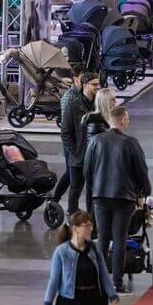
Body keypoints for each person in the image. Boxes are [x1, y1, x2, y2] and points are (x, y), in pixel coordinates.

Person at [83, 106, 152, 294]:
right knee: (120, 239)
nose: (128, 122)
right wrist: (145, 192)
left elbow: (87, 170)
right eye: (127, 119)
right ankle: (117, 283)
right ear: (121, 120)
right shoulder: (131, 143)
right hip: (124, 198)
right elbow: (142, 171)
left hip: (100, 197)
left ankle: (99, 280)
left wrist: (95, 189)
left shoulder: (95, 141)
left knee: (103, 238)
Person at [55, 70, 100, 216]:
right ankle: (72, 214)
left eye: (98, 84)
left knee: (92, 190)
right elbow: (65, 132)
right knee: (75, 189)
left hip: (95, 156)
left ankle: (91, 218)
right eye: (94, 84)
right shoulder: (73, 105)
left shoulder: (99, 104)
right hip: (78, 156)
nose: (97, 87)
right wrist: (76, 152)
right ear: (85, 85)